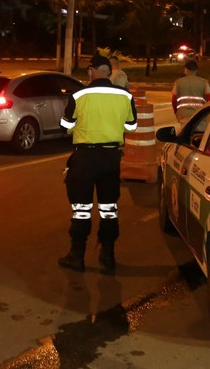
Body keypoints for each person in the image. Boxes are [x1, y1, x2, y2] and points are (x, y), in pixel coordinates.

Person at [57, 54, 138, 274]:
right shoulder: (124, 95)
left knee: (81, 209)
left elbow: (65, 126)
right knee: (109, 209)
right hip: (111, 159)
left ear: (93, 70)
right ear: (109, 71)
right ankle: (108, 255)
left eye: (88, 70)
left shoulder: (80, 94)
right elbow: (131, 127)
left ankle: (77, 256)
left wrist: (80, 127)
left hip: (84, 158)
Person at [171, 59, 210, 125]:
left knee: (184, 133)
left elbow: (174, 100)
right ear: (196, 70)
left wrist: (176, 112)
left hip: (183, 115)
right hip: (199, 115)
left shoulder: (178, 82)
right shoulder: (204, 82)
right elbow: (209, 100)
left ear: (185, 70)